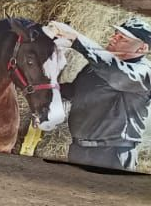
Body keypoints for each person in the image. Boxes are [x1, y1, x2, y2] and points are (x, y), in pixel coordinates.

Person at [46, 19, 151, 172]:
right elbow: (76, 91)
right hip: (78, 150)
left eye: (123, 38)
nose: (114, 38)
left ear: (142, 48)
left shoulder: (143, 72)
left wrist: (76, 38)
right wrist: (45, 88)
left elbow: (117, 74)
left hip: (112, 155)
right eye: (116, 34)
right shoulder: (95, 67)